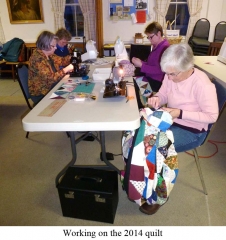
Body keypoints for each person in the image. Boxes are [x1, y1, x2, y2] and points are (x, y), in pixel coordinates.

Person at [148, 43, 219, 153]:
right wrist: (157, 98)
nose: (169, 78)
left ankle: (155, 169)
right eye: (166, 73)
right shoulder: (170, 74)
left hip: (192, 130)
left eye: (172, 74)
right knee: (140, 133)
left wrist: (180, 113)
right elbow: (163, 94)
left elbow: (212, 116)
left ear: (187, 67)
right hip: (171, 120)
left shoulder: (202, 85)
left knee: (150, 147)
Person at [28, 31, 74, 104]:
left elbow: (62, 60)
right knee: (70, 97)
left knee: (72, 88)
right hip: (42, 93)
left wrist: (73, 59)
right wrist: (65, 70)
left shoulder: (48, 54)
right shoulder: (38, 59)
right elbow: (51, 78)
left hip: (51, 86)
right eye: (53, 46)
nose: (55, 48)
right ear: (45, 45)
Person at [132, 21, 170, 92]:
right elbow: (151, 64)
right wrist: (141, 62)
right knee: (132, 81)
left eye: (151, 37)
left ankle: (148, 101)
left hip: (158, 82)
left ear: (158, 34)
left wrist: (141, 65)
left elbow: (160, 70)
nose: (149, 40)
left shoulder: (165, 48)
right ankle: (146, 100)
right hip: (151, 78)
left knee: (133, 84)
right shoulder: (157, 46)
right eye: (148, 37)